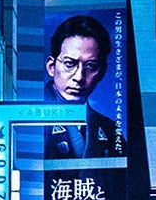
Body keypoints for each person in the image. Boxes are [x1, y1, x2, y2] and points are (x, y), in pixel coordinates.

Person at [44, 15, 126, 158]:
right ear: (51, 67)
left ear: (102, 72)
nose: (79, 77)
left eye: (90, 66)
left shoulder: (110, 129)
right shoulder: (29, 120)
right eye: (70, 64)